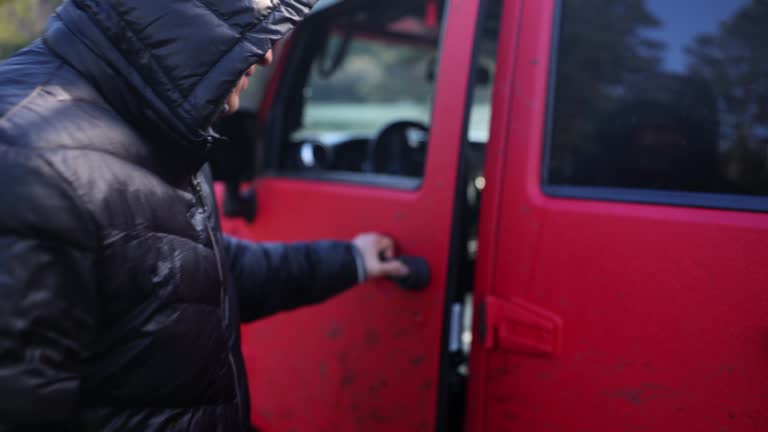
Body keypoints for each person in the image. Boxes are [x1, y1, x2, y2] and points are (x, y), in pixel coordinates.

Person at [0, 0, 408, 430]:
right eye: (250, 24)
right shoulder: (26, 162)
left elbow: (192, 276)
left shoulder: (156, 120)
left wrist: (351, 261)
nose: (266, 53)